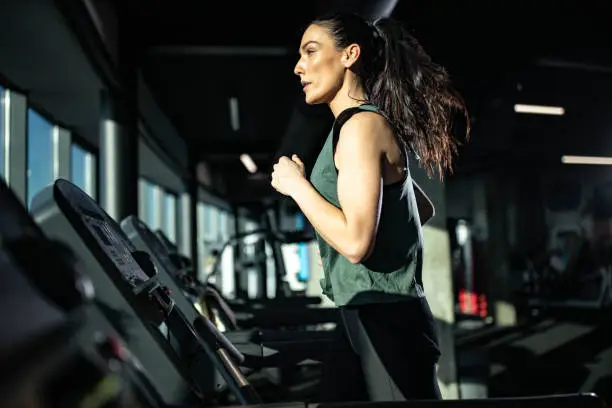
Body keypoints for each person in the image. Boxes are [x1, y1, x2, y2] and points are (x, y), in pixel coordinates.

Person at [270, 12, 469, 402]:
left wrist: (299, 187)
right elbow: (419, 209)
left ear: (350, 55)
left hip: (386, 318)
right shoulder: (353, 127)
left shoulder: (360, 127)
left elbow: (357, 243)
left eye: (311, 51)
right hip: (362, 312)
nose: (298, 67)